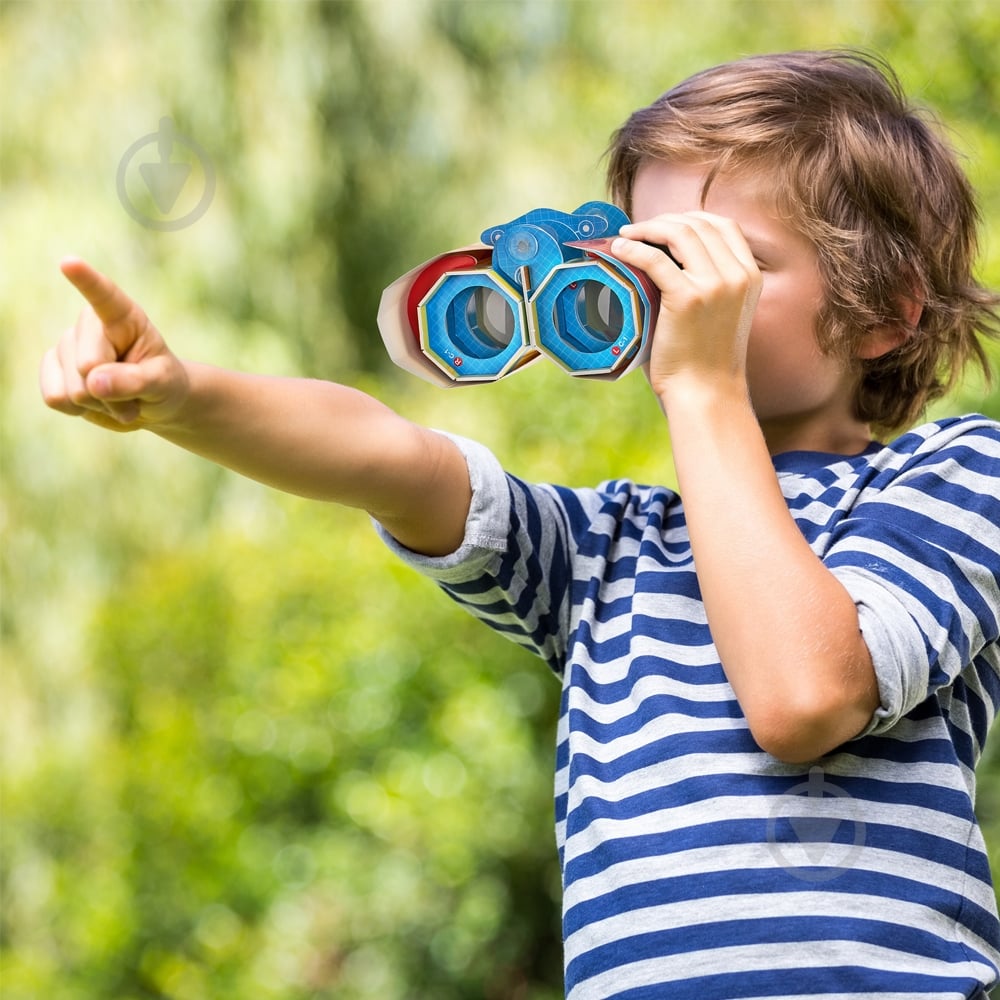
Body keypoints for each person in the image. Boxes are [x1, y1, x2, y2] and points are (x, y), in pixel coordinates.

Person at [40, 48, 1000, 1000]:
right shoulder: (610, 551)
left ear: (885, 315)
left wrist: (703, 388)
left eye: (729, 266)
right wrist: (182, 397)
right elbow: (392, 459)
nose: (680, 295)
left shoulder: (953, 477)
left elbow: (804, 699)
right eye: (652, 256)